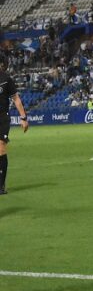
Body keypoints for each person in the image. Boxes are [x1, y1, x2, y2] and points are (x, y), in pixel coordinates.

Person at [0, 58, 30, 195]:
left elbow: (16, 99)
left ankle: (0, 185)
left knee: (0, 148)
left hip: (2, 118)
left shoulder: (6, 79)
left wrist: (23, 118)